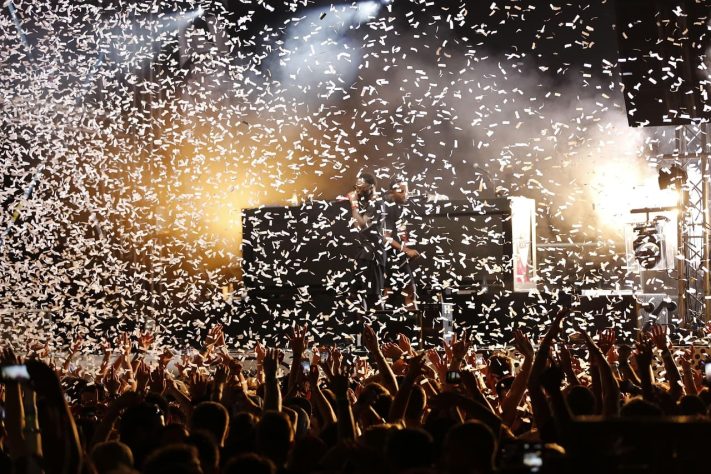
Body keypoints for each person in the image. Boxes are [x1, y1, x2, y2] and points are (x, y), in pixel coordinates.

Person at [347, 172, 386, 314]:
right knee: (355, 296)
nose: (357, 190)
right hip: (363, 254)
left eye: (361, 187)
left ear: (371, 187)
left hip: (372, 255)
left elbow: (361, 224)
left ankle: (380, 326)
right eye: (356, 187)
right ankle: (364, 325)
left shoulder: (377, 203)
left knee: (373, 298)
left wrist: (353, 203)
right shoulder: (367, 202)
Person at [383, 177, 420, 310]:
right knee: (389, 293)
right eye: (401, 191)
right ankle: (376, 320)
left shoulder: (399, 208)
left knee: (408, 292)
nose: (405, 194)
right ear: (391, 193)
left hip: (399, 257)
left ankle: (414, 323)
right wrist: (406, 250)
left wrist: (406, 252)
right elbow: (385, 237)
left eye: (407, 191)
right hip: (390, 257)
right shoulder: (388, 209)